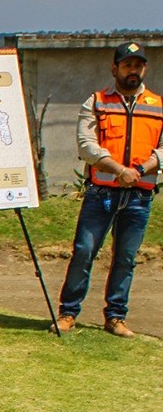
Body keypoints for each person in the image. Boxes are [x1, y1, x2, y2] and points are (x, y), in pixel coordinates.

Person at [55, 41, 162, 338]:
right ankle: (68, 312)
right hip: (101, 193)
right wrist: (119, 170)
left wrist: (139, 171)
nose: (133, 70)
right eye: (127, 65)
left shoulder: (159, 105)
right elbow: (86, 145)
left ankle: (115, 317)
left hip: (139, 195)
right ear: (114, 68)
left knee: (126, 257)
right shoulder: (97, 101)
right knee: (84, 251)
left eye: (138, 65)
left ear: (145, 69)